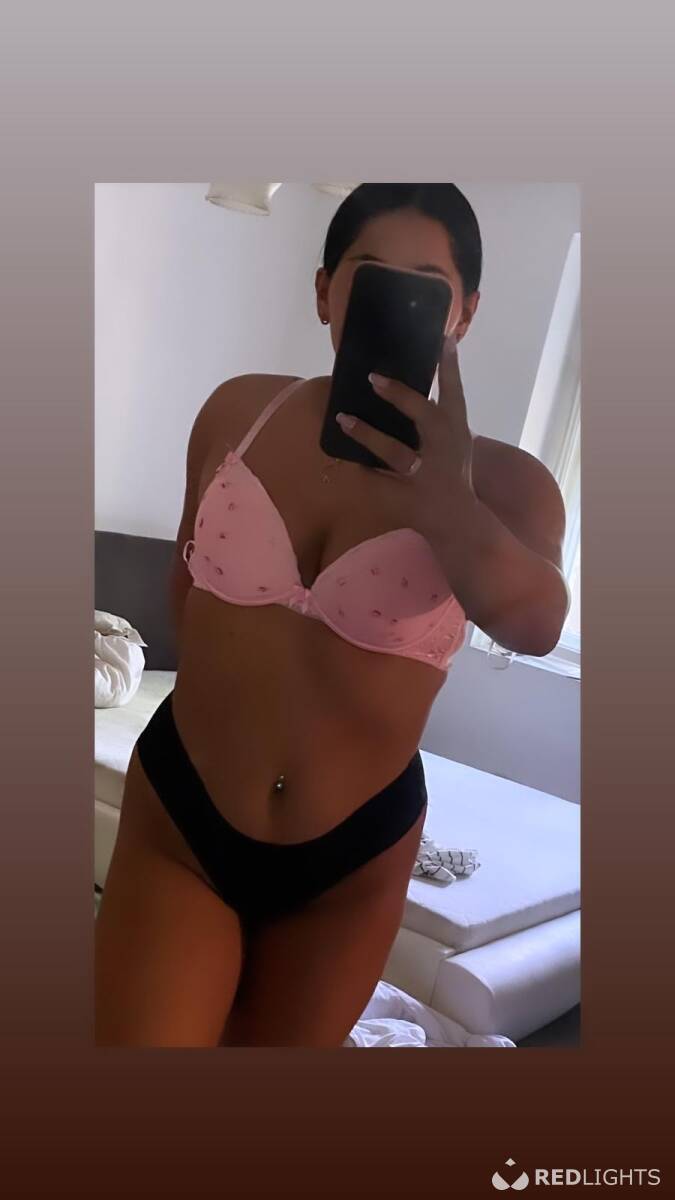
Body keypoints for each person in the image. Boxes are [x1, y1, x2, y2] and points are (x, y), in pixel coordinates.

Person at [94, 183, 569, 1047]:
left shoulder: (509, 485)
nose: (392, 302)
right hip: (184, 818)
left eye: (425, 287)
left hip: (350, 859)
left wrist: (449, 504)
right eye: (368, 275)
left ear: (463, 313)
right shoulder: (238, 409)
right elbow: (185, 587)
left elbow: (535, 625)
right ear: (323, 290)